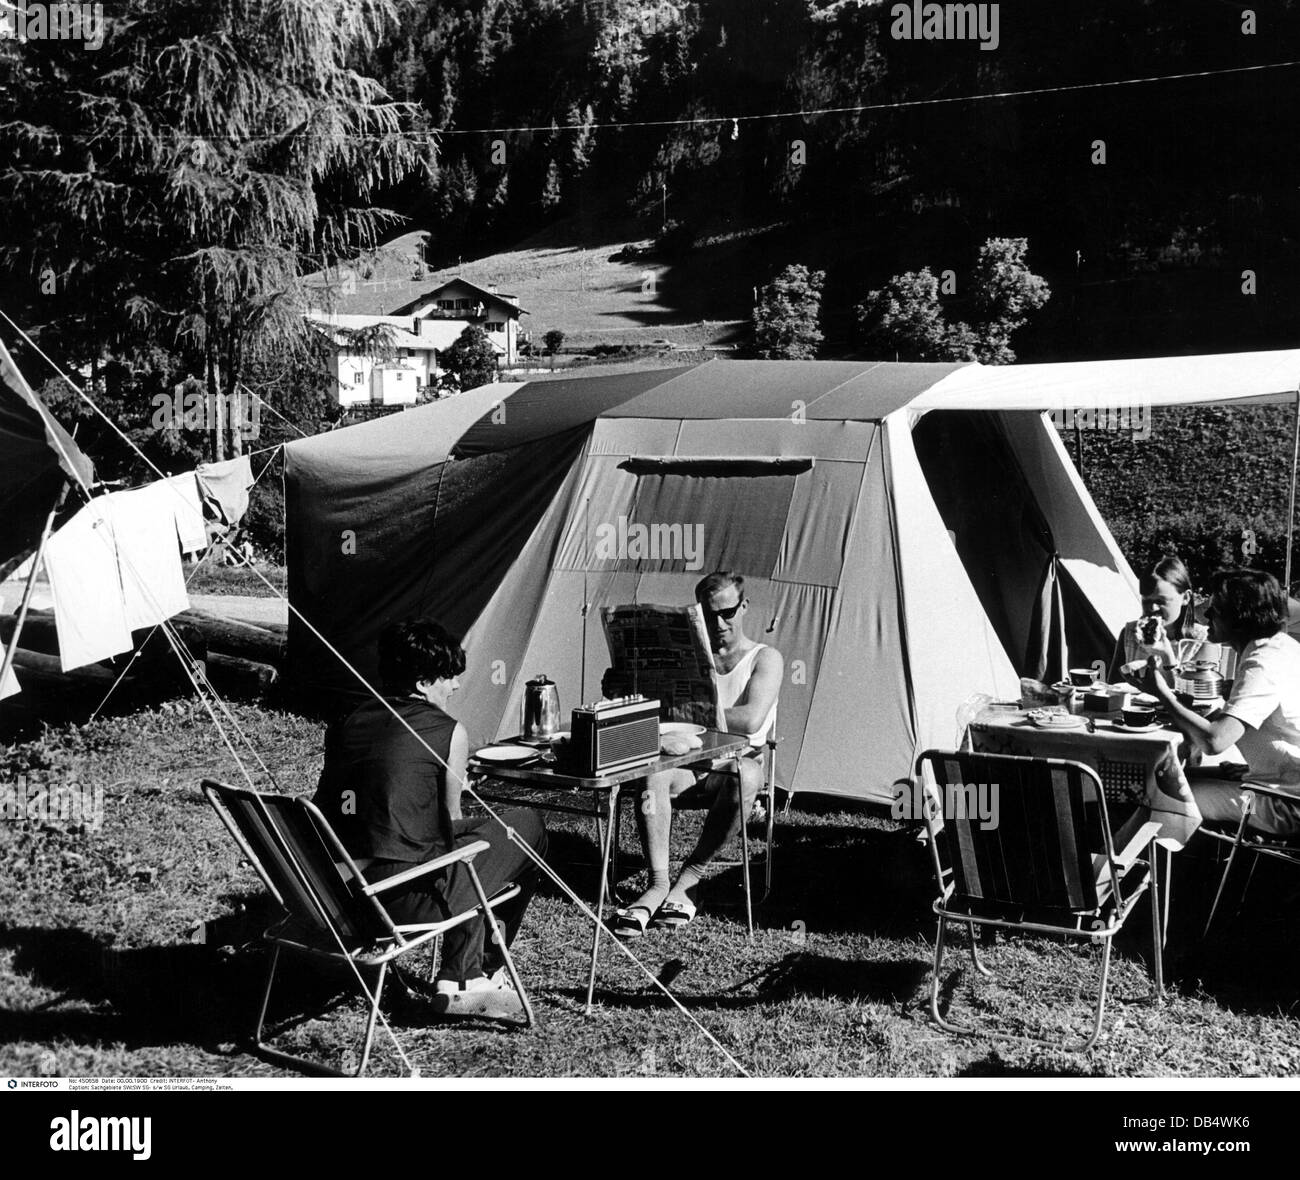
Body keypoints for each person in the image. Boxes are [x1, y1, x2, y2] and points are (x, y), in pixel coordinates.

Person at [313, 618, 547, 1018]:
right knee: (526, 827)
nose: (455, 687)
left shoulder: (348, 722)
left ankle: (467, 972)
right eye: (448, 677)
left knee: (476, 837)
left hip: (337, 896)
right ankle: (471, 975)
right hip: (405, 902)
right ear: (423, 683)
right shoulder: (447, 732)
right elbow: (451, 829)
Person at [610, 571, 782, 936]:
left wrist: (687, 713)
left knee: (745, 774)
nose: (719, 623)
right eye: (709, 615)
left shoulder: (764, 658)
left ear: (744, 606)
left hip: (734, 765)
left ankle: (690, 878)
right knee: (651, 770)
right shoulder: (686, 656)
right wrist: (623, 687)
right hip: (686, 764)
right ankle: (657, 884)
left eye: (728, 613)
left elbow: (751, 719)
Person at [1144, 569, 1300, 839]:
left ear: (1239, 618)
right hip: (1281, 783)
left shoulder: (1261, 664)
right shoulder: (1280, 645)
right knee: (1174, 778)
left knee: (1157, 794)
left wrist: (1161, 693)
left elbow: (1215, 742)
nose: (1207, 616)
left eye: (1215, 611)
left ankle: (1155, 874)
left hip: (1285, 805)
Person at [1108, 555, 1212, 683]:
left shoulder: (1202, 640)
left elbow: (1192, 700)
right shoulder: (1129, 634)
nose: (1152, 608)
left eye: (1160, 601)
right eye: (1146, 601)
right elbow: (1112, 687)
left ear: (1185, 598)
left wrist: (1167, 656)